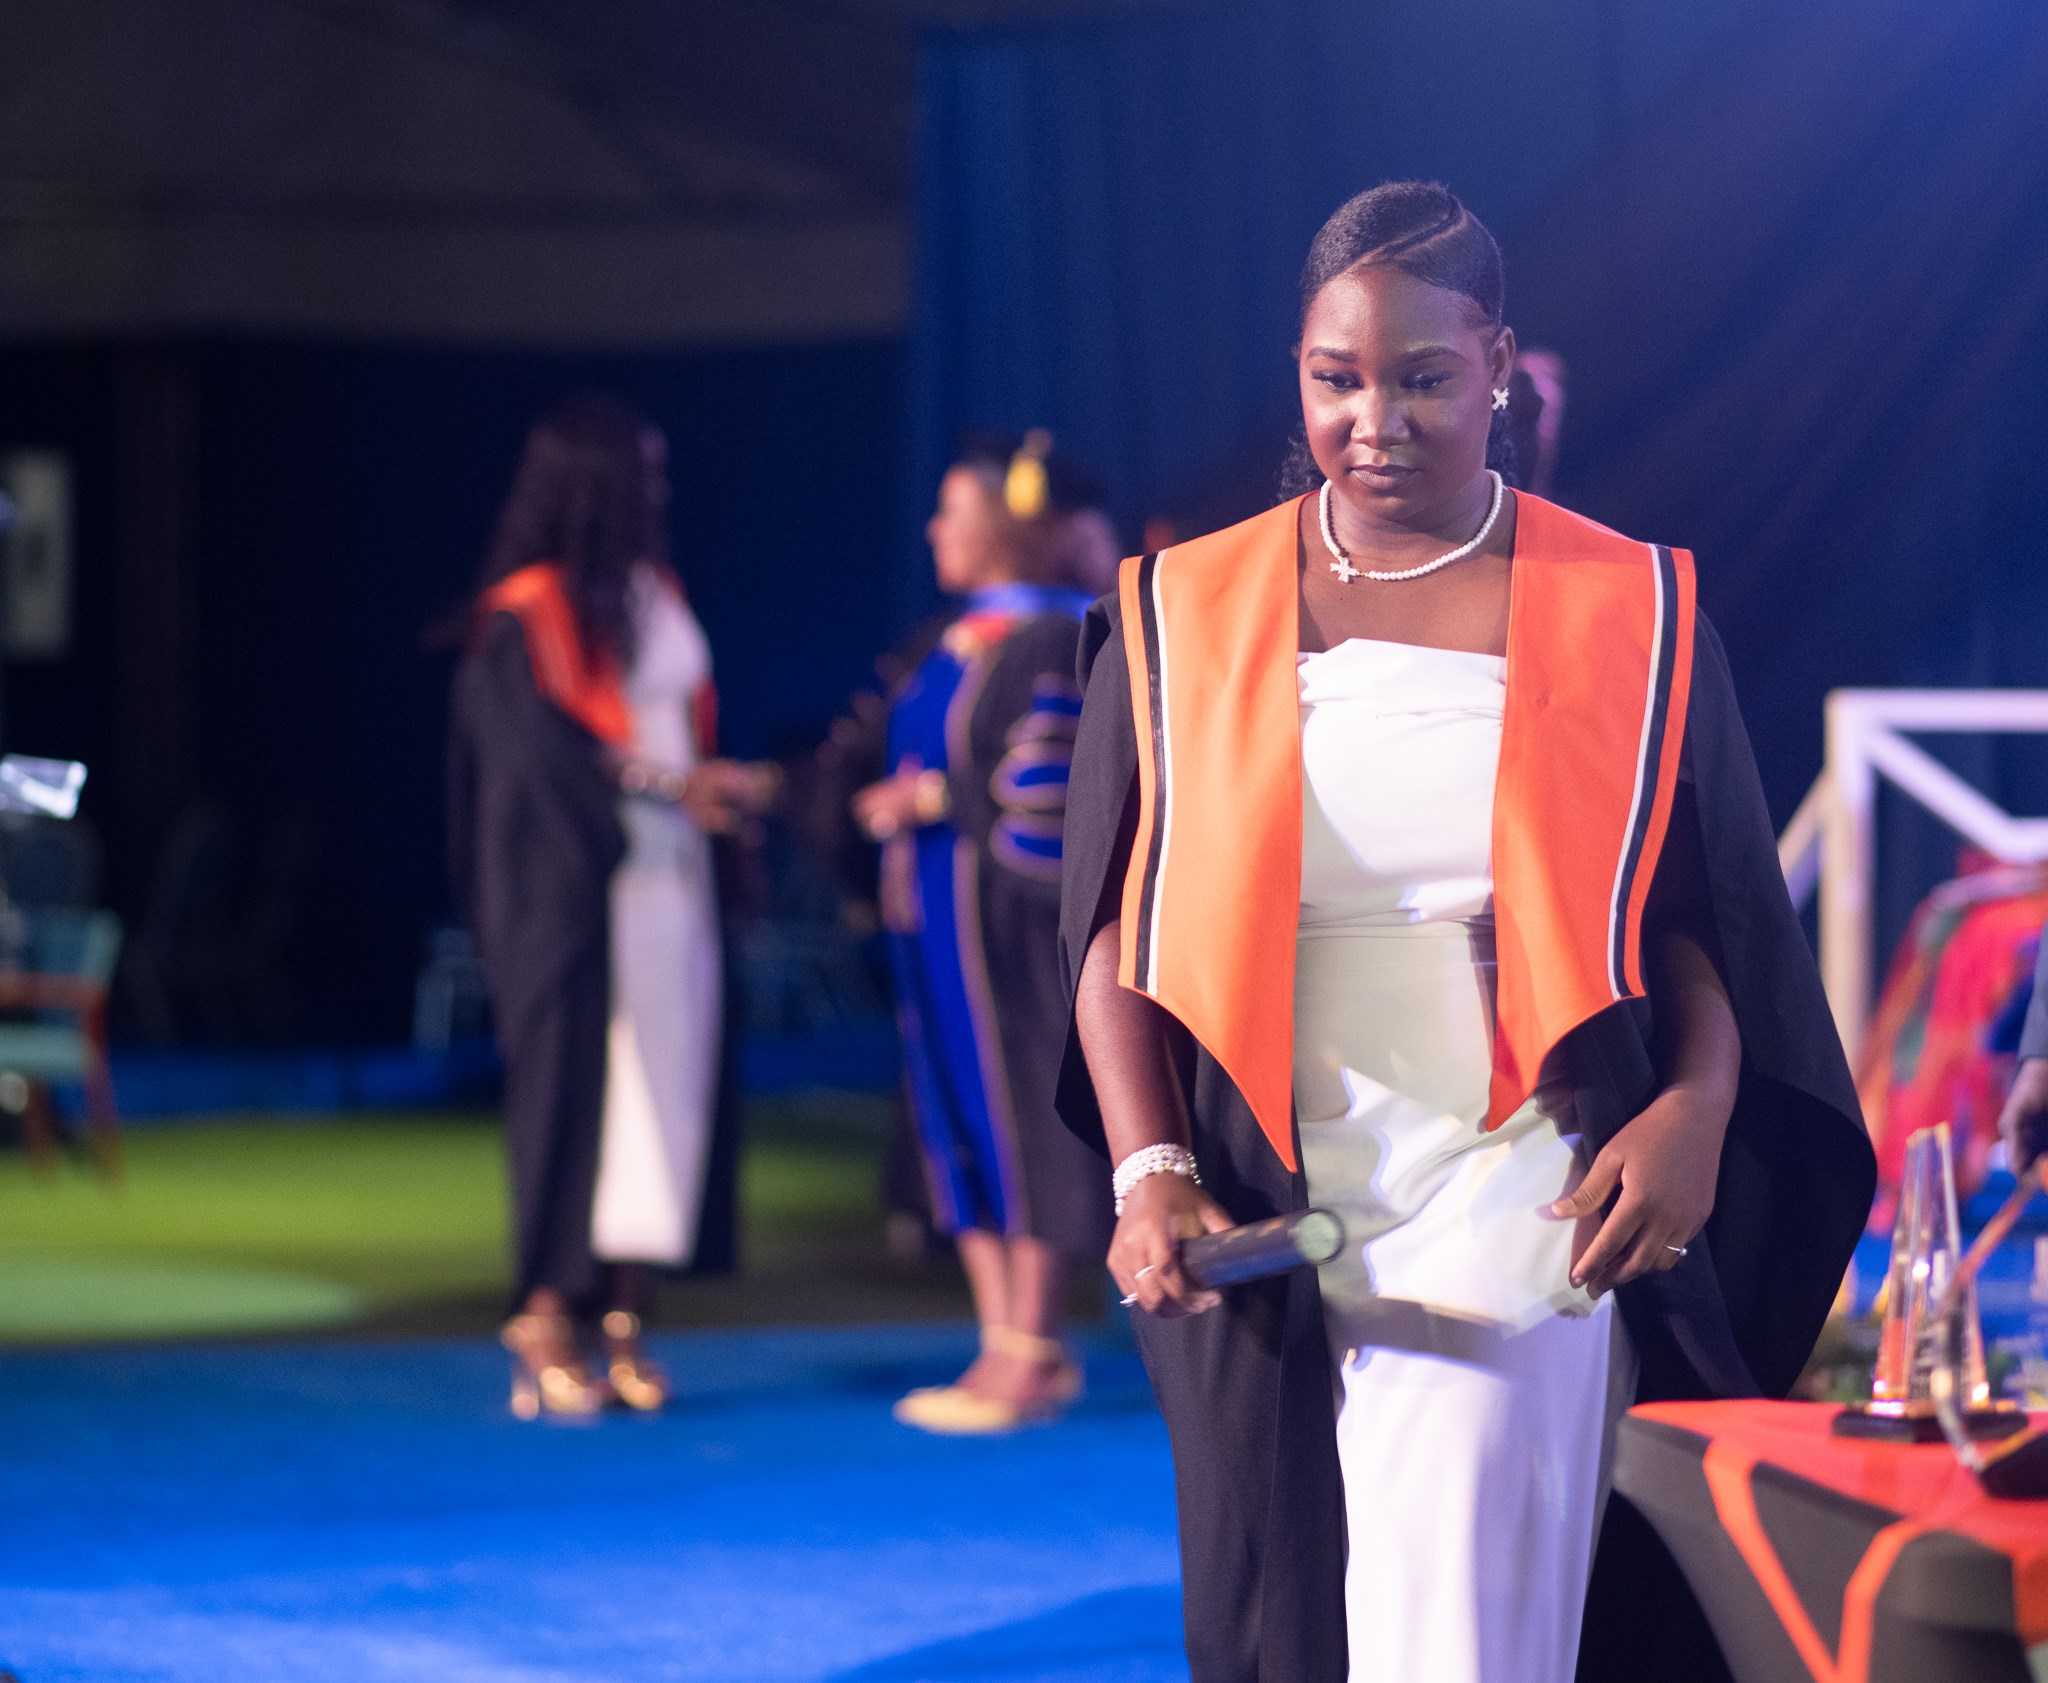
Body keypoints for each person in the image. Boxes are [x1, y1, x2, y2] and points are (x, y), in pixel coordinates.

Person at [1057, 183, 1875, 1683]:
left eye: (1423, 378)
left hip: (1521, 1173)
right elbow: (1116, 928)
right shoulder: (1183, 609)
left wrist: (1694, 1109)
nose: (1374, 422)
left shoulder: (1624, 603)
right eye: (1336, 380)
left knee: (1460, 1627)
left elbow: (1697, 922)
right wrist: (1147, 1166)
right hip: (1259, 1186)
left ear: (1498, 362)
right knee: (1281, 1624)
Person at [448, 395, 777, 1420]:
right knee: (575, 1093)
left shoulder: (655, 592)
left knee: (659, 1092)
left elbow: (679, 724)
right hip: (581, 890)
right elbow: (537, 765)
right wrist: (674, 787)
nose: (660, 490)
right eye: (644, 472)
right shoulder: (527, 613)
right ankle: (545, 1315)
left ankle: (627, 1310)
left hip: (671, 887)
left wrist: (712, 796)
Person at [855, 431, 1117, 1433]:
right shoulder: (952, 640)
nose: (935, 530)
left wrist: (933, 798)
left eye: (953, 512)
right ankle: (999, 1339)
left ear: (1006, 525)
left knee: (1018, 1112)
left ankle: (1036, 1346)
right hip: (933, 916)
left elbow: (1050, 799)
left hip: (1005, 927)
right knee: (953, 1114)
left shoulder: (1051, 638)